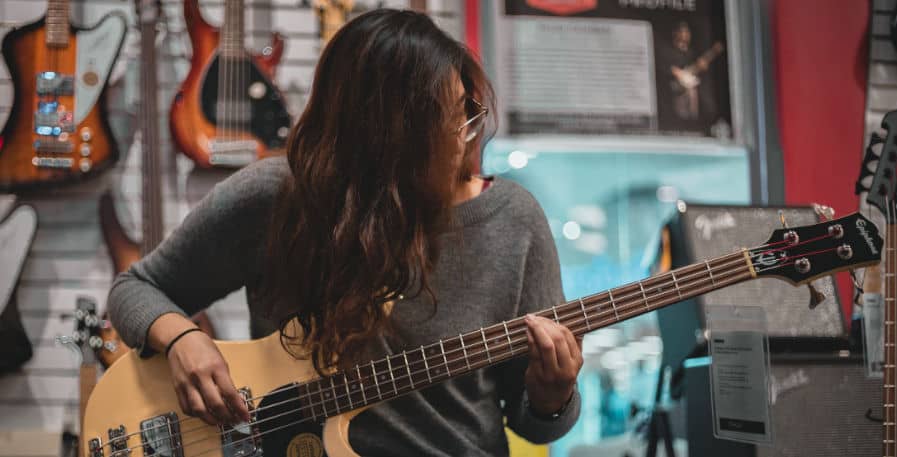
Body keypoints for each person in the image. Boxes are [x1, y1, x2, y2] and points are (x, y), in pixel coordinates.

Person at [109, 8, 582, 456]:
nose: (468, 134)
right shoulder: (275, 197)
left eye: (469, 111)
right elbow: (136, 289)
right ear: (392, 136)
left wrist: (552, 395)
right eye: (451, 119)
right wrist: (180, 340)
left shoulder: (513, 219)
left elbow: (536, 424)